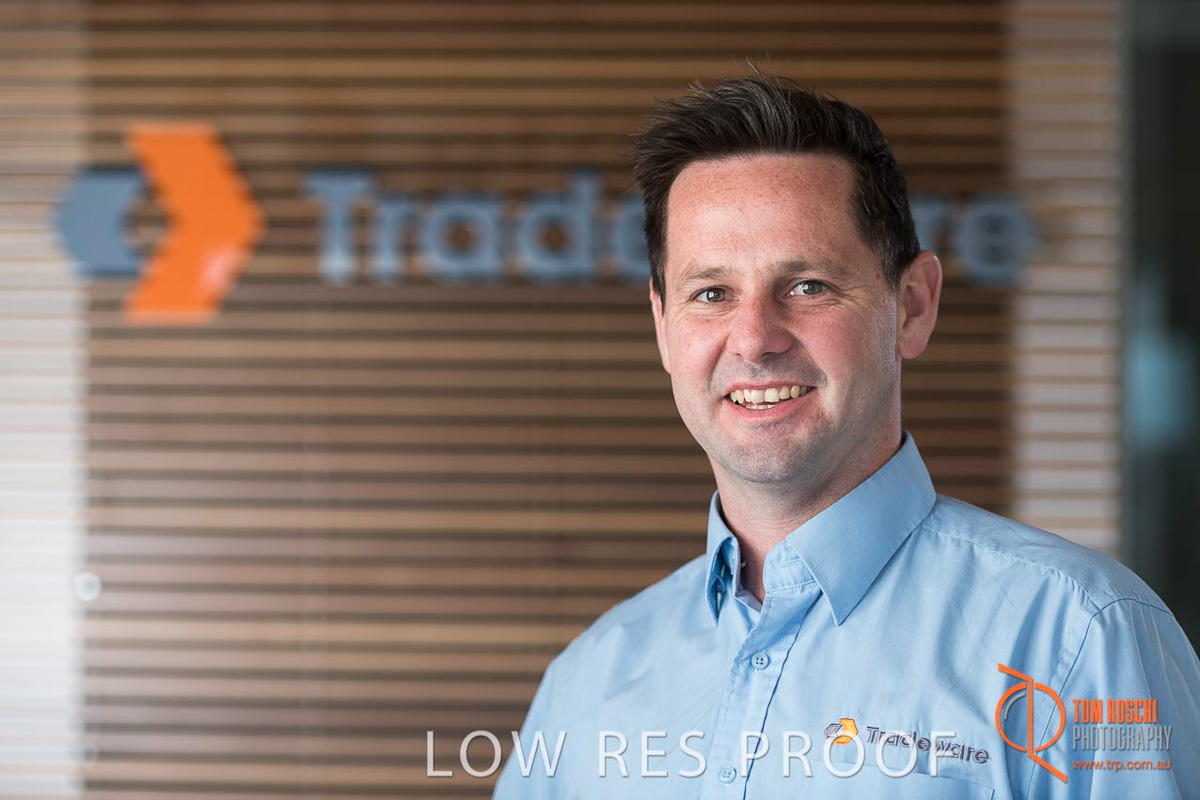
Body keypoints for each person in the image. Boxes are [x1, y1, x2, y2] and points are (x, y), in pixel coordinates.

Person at [490, 72, 1200, 799]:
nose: (755, 339)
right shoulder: (587, 683)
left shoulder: (1078, 640)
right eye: (712, 293)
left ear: (913, 306)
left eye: (808, 286)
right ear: (662, 327)